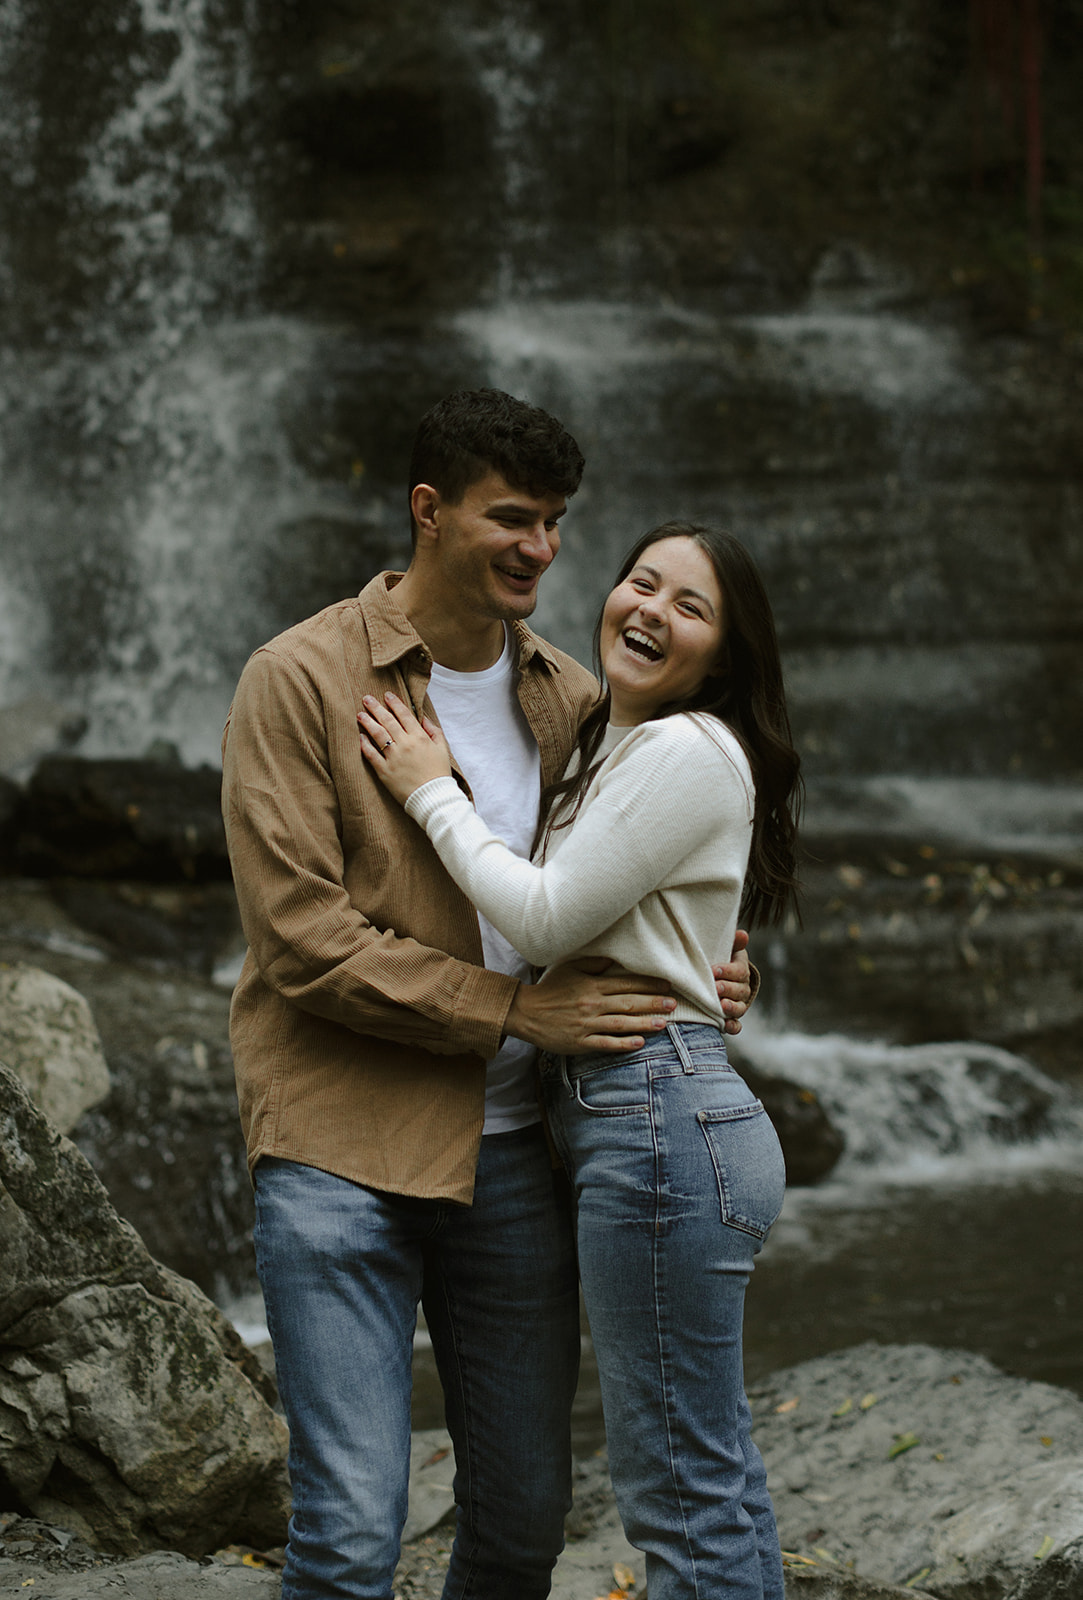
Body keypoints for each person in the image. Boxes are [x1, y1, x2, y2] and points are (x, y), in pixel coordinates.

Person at [221, 390, 755, 1600]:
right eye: (512, 518)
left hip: (519, 1154)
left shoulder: (572, 694)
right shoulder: (297, 680)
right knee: (352, 1535)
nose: (543, 549)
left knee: (521, 1525)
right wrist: (515, 1010)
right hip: (338, 1148)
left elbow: (628, 878)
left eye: (558, 521)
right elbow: (304, 939)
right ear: (429, 511)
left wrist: (707, 969)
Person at [358, 520, 802, 1600]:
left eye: (690, 606)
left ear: (725, 658)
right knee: (711, 1476)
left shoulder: (688, 749)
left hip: (657, 1121)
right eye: (641, 582)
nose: (650, 609)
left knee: (680, 1497)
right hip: (659, 1117)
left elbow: (547, 919)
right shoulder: (617, 742)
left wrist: (429, 785)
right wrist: (705, 969)